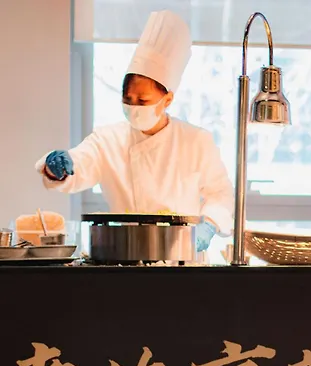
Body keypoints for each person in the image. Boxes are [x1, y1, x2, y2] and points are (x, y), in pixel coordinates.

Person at [35, 10, 233, 253]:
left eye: (142, 100)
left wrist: (209, 225)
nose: (133, 107)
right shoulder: (109, 139)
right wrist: (58, 166)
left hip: (180, 252)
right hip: (124, 251)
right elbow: (80, 163)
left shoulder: (195, 141)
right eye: (127, 99)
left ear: (167, 100)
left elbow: (220, 193)